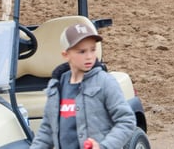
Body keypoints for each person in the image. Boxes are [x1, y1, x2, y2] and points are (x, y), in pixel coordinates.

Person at [30, 21, 135, 149]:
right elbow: (47, 130)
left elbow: (126, 121)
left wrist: (104, 146)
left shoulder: (105, 82)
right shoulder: (56, 87)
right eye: (82, 51)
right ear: (66, 55)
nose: (89, 56)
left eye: (93, 50)